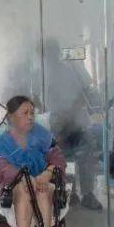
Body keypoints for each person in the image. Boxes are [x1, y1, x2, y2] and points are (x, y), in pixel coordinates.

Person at [0, 95, 79, 227]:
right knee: (24, 190)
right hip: (14, 190)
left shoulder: (42, 135)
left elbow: (58, 160)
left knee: (42, 190)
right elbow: (0, 168)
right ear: (11, 117)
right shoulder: (0, 143)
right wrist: (23, 177)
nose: (30, 117)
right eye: (25, 113)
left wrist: (47, 173)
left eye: (32, 113)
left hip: (43, 185)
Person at [42, 39, 103, 210]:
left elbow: (82, 95)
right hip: (55, 124)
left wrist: (70, 115)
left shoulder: (69, 71)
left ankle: (88, 194)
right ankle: (70, 192)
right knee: (59, 156)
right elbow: (39, 102)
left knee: (87, 152)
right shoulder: (41, 75)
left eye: (53, 52)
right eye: (47, 53)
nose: (50, 56)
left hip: (74, 122)